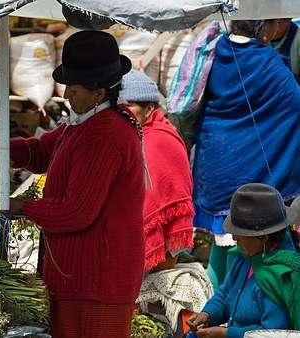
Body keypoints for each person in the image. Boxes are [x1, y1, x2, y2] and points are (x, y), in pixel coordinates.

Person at [0, 30, 145, 338]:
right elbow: (43, 150)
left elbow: (76, 211)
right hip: (77, 276)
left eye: (73, 88)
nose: (66, 94)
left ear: (98, 92)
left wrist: (18, 207)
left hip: (98, 282)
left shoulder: (106, 134)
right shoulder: (85, 123)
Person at [187, 20, 300, 290]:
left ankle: (208, 312)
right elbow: (295, 104)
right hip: (252, 167)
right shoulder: (265, 60)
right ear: (264, 27)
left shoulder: (216, 48)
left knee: (222, 244)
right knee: (254, 248)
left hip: (216, 162)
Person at [187, 183, 300, 337]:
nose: (234, 237)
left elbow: (273, 333)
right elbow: (225, 293)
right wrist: (207, 314)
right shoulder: (245, 257)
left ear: (263, 237)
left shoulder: (280, 276)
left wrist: (228, 334)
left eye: (240, 233)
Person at [119, 69, 194, 272]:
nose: (122, 113)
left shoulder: (157, 139)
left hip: (161, 237)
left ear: (149, 108)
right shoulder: (133, 134)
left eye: (129, 106)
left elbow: (151, 198)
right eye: (118, 107)